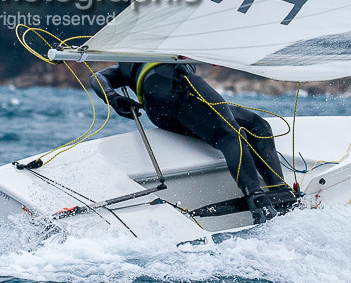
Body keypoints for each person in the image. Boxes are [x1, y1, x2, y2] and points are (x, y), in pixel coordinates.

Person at [88, 61, 298, 223]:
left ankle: (278, 190)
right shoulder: (164, 43)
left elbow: (97, 78)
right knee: (228, 136)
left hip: (158, 111)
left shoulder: (125, 66)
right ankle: (260, 201)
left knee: (257, 126)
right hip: (175, 81)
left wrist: (113, 98)